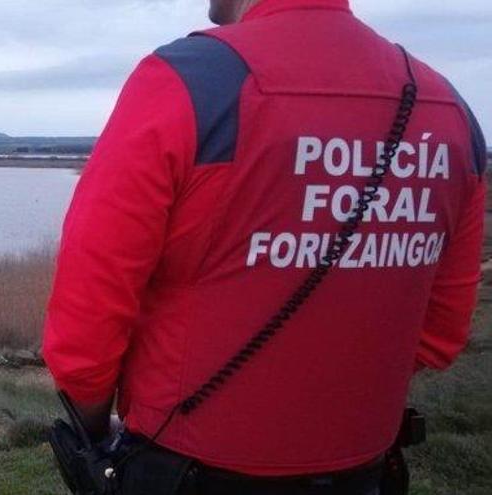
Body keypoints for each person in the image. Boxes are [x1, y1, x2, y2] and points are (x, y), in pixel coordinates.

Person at [42, 0, 487, 493]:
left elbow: (88, 317)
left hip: (181, 467)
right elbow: (441, 333)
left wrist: (97, 436)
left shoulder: (182, 82)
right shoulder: (448, 109)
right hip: (367, 471)